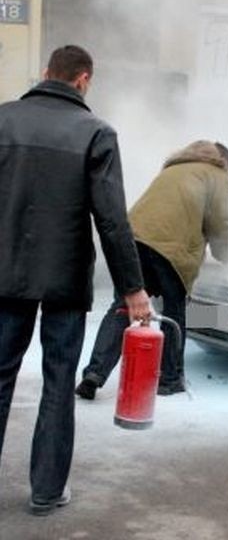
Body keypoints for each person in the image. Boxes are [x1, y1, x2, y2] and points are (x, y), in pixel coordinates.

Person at [0, 45, 151, 515]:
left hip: (4, 275)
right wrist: (133, 289)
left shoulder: (2, 120)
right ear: (84, 80)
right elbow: (111, 221)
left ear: (47, 72)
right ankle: (46, 491)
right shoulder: (96, 133)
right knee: (58, 380)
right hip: (64, 281)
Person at [75, 139, 228, 399]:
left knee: (124, 307)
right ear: (224, 163)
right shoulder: (217, 175)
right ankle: (169, 380)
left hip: (132, 242)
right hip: (170, 249)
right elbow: (219, 225)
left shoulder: (173, 169)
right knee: (175, 312)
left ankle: (95, 373)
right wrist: (227, 256)